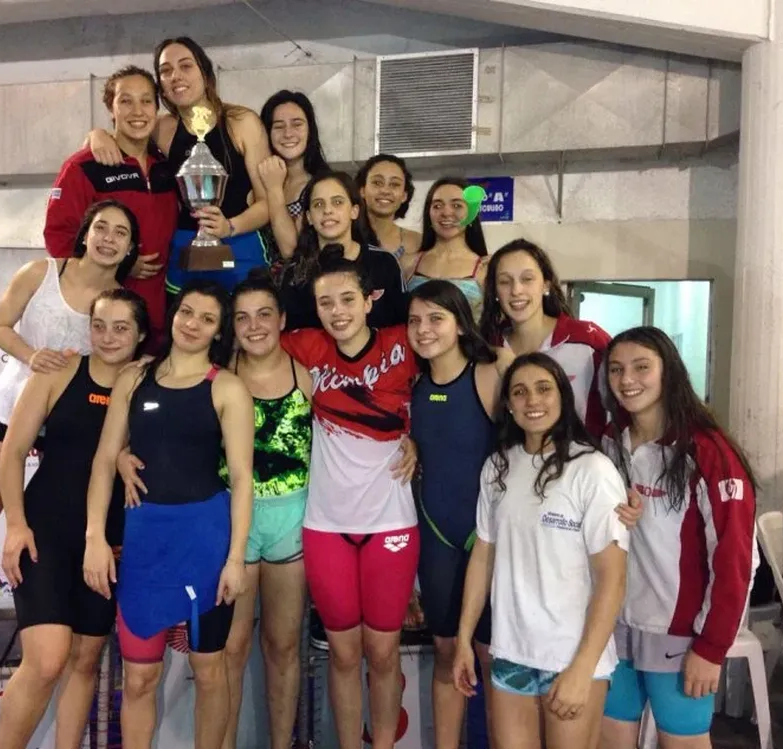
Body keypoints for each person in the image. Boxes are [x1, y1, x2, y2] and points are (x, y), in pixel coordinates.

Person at [0, 200, 139, 656]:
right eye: (102, 228)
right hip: (14, 404)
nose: (109, 239)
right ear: (85, 232)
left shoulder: (118, 301)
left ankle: (64, 605)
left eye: (121, 233)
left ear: (131, 247)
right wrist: (32, 356)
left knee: (66, 508)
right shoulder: (40, 272)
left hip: (72, 420)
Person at [83, 280, 254, 749]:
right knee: (138, 678)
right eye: (186, 313)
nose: (192, 324)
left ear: (219, 332)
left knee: (209, 671)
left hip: (204, 540)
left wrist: (235, 558)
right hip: (143, 544)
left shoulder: (228, 388)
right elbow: (104, 459)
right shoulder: (134, 379)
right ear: (173, 315)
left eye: (207, 319)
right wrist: (95, 537)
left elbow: (242, 478)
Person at [452, 352, 629, 749]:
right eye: (520, 392)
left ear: (563, 397)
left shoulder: (593, 470)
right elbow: (483, 555)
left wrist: (583, 668)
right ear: (509, 407)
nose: (533, 400)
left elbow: (613, 579)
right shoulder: (498, 466)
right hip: (511, 653)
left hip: (571, 657)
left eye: (544, 389)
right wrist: (464, 638)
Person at [0, 289, 148, 749]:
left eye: (122, 327)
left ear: (140, 334)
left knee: (84, 659)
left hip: (109, 537)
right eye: (99, 325)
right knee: (45, 661)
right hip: (46, 530)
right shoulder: (60, 371)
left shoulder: (148, 381)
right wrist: (17, 526)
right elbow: (12, 453)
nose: (108, 336)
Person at [279, 253, 418, 749]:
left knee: (382, 654)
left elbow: (456, 375)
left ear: (369, 300)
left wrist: (416, 435)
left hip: (392, 523)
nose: (337, 311)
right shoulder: (303, 345)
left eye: (346, 300)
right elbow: (242, 346)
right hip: (325, 525)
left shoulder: (403, 344)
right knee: (341, 654)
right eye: (324, 303)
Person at [598, 327, 759, 749]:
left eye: (641, 367)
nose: (627, 379)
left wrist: (711, 647)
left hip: (680, 635)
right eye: (616, 369)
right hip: (614, 627)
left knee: (682, 741)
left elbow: (735, 559)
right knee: (609, 739)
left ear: (668, 372)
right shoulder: (611, 443)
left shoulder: (709, 452)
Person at [407, 279, 511, 749]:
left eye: (436, 318)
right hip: (438, 541)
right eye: (415, 320)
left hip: (489, 542)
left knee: (490, 656)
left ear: (458, 322)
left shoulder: (490, 373)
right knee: (448, 652)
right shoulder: (415, 387)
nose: (424, 329)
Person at [89, 37, 272, 293]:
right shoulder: (162, 129)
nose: (175, 75)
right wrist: (97, 135)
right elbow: (124, 132)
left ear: (205, 73)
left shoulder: (241, 122)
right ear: (161, 88)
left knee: (240, 326)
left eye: (185, 66)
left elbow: (268, 203)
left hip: (238, 241)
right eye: (166, 71)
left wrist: (229, 227)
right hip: (186, 248)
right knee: (186, 328)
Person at [45, 65, 178, 347]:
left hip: (160, 321)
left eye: (146, 101)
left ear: (157, 108)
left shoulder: (167, 169)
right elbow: (58, 238)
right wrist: (114, 263)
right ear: (111, 108)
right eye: (125, 101)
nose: (137, 111)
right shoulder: (83, 167)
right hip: (103, 326)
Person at [479, 238, 611, 437]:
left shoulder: (588, 341)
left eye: (527, 279)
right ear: (495, 291)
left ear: (546, 285)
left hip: (580, 462)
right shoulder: (486, 347)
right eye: (505, 282)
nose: (516, 290)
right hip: (512, 463)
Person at [280, 171, 406, 331]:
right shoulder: (296, 273)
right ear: (309, 217)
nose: (327, 211)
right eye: (318, 204)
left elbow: (401, 326)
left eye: (337, 202)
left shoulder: (384, 262)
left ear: (354, 211)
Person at [256, 90, 331, 272]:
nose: (288, 133)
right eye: (278, 126)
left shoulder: (322, 185)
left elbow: (290, 251)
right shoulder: (257, 181)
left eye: (297, 124)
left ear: (310, 130)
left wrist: (274, 188)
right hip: (259, 288)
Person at [404, 178, 489, 322]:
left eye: (457, 205)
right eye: (437, 206)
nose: (446, 212)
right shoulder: (407, 264)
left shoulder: (486, 268)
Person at [356, 154, 421, 259]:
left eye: (394, 184)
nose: (385, 191)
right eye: (377, 182)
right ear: (362, 190)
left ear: (404, 195)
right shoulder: (346, 237)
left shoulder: (418, 243)